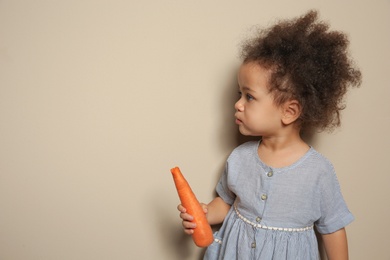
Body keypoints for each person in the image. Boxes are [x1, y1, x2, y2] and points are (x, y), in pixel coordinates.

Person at [177, 10, 361, 260]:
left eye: (249, 96)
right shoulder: (240, 158)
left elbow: (333, 229)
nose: (238, 104)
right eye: (239, 94)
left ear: (289, 111)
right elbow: (228, 203)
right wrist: (204, 213)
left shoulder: (319, 172)